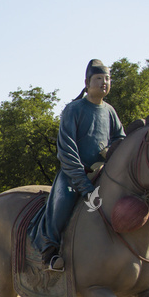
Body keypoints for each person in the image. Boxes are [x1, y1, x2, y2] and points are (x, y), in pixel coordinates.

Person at [29, 59, 125, 271]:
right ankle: (50, 251)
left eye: (107, 79)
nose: (104, 83)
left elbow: (120, 140)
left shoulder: (110, 111)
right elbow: (67, 149)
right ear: (87, 82)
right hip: (74, 176)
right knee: (64, 200)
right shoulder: (73, 109)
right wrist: (84, 184)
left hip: (103, 174)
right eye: (99, 78)